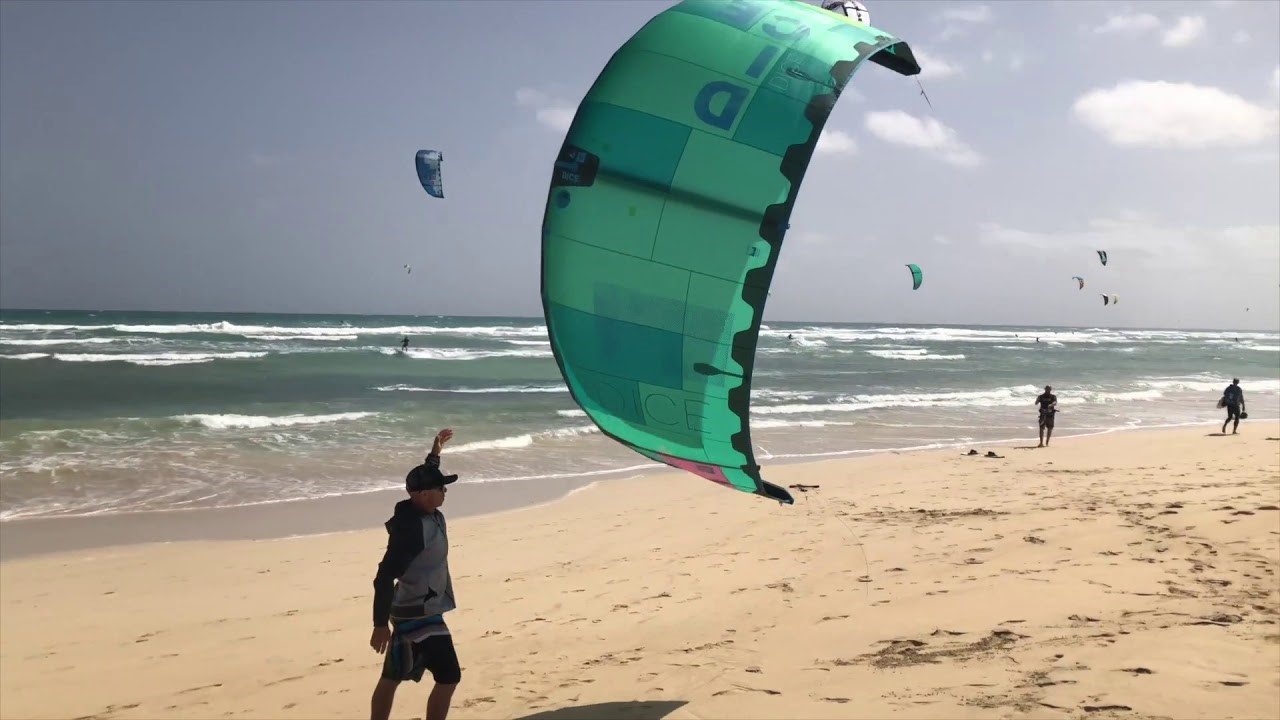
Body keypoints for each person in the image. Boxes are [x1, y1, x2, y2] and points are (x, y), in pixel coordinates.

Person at [370, 428, 460, 720]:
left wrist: (435, 451)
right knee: (448, 676)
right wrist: (379, 623)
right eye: (440, 489)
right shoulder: (411, 531)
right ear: (422, 495)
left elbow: (426, 474)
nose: (444, 491)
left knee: (393, 676)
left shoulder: (424, 510)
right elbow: (383, 576)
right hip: (418, 615)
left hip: (417, 610)